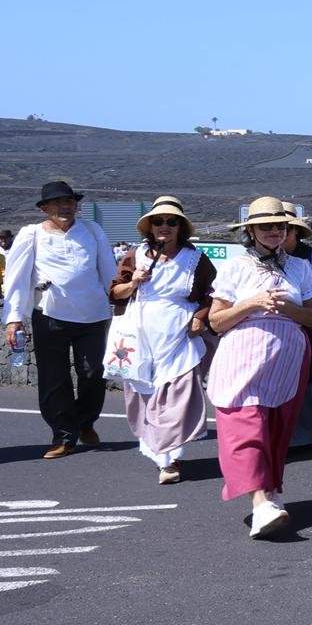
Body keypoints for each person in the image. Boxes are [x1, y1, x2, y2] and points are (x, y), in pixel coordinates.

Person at [207, 198, 312, 537]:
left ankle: (270, 493)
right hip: (243, 357)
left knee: (276, 428)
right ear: (251, 231)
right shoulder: (236, 267)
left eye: (280, 226)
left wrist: (287, 308)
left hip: (286, 360)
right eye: (266, 226)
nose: (274, 231)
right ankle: (259, 502)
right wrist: (251, 303)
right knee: (245, 426)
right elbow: (216, 320)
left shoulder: (299, 268)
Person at [5, 180, 118, 459]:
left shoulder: (93, 231)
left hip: (93, 314)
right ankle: (64, 435)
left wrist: (120, 304)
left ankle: (85, 422)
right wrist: (13, 318)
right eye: (57, 203)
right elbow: (17, 278)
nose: (65, 207)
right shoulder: (31, 234)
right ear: (45, 208)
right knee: (54, 378)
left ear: (76, 206)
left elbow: (109, 272)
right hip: (49, 315)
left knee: (93, 372)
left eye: (69, 202)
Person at [106, 196, 214, 484]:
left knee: (177, 396)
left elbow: (211, 295)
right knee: (144, 395)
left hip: (179, 334)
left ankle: (171, 458)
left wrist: (200, 317)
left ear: (181, 227)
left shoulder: (197, 260)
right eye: (158, 221)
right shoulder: (135, 256)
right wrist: (134, 282)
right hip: (140, 334)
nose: (164, 226)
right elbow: (115, 293)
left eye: (171, 221)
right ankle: (159, 453)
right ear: (150, 227)